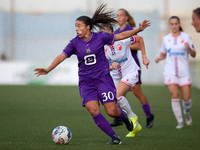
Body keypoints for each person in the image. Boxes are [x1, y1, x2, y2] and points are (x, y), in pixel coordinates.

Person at [34, 4, 151, 145]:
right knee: (93, 110)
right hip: (86, 83)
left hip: (103, 80)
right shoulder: (74, 43)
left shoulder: (100, 37)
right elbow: (61, 57)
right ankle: (115, 137)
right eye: (75, 26)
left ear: (88, 27)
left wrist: (138, 29)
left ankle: (127, 120)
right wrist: (48, 69)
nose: (76, 29)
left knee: (112, 111)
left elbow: (120, 36)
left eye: (79, 26)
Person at [100, 24, 150, 137]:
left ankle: (132, 117)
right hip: (115, 76)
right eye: (101, 34)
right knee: (114, 101)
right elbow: (102, 64)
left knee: (116, 95)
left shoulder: (121, 39)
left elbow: (140, 39)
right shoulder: (101, 47)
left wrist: (144, 57)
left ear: (112, 34)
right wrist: (111, 66)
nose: (104, 36)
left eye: (106, 34)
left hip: (131, 72)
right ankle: (135, 127)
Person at [110, 8, 154, 128]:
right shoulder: (116, 31)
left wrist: (124, 45)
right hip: (120, 69)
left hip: (131, 65)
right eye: (117, 16)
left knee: (137, 92)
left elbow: (138, 45)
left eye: (121, 15)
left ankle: (149, 115)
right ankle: (120, 118)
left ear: (126, 17)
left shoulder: (129, 30)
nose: (119, 17)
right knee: (120, 93)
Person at [155, 16, 196, 129]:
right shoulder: (166, 39)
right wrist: (158, 58)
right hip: (170, 71)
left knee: (187, 99)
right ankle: (180, 121)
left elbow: (193, 54)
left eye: (176, 24)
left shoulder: (186, 37)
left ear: (179, 24)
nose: (174, 26)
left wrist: (190, 49)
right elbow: (163, 53)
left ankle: (187, 113)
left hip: (184, 72)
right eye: (172, 24)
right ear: (169, 25)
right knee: (174, 95)